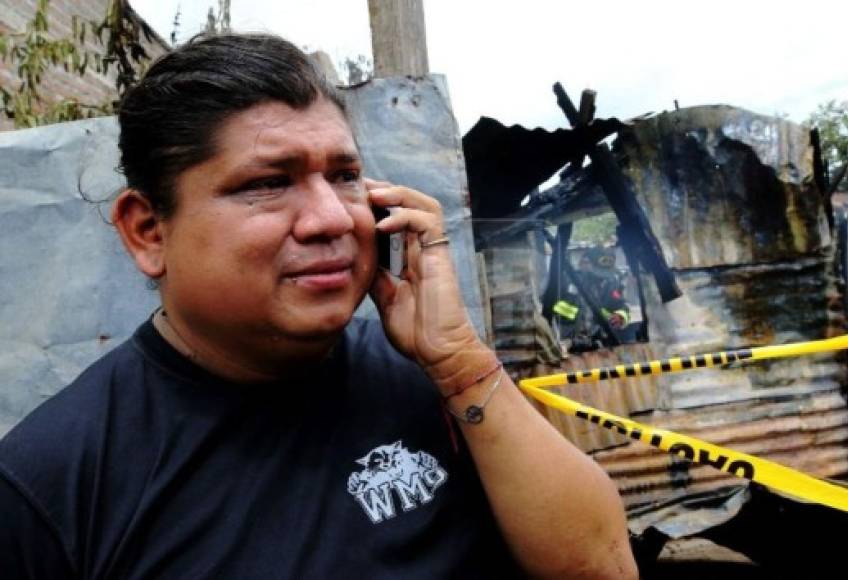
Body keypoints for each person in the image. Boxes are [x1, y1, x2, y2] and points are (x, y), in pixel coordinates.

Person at [0, 34, 636, 579]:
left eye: (344, 175)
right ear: (148, 230)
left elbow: (605, 566)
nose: (333, 218)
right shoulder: (50, 482)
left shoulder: (432, 381)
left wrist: (460, 363)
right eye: (267, 183)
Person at [552, 246, 631, 350]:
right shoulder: (564, 280)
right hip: (561, 345)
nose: (601, 279)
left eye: (604, 275)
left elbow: (622, 306)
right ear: (584, 263)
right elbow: (543, 308)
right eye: (597, 274)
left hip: (594, 345)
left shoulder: (610, 285)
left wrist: (621, 316)